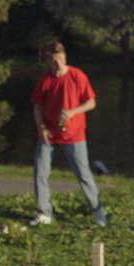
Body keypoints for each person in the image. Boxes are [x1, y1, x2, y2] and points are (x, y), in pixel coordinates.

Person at [30, 41, 106, 227]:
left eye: (61, 58)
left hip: (74, 135)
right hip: (49, 136)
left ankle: (98, 213)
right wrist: (41, 128)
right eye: (54, 61)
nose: (59, 63)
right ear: (48, 61)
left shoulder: (77, 76)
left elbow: (91, 103)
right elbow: (37, 108)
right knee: (40, 173)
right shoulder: (44, 80)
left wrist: (72, 112)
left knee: (84, 175)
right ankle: (44, 213)